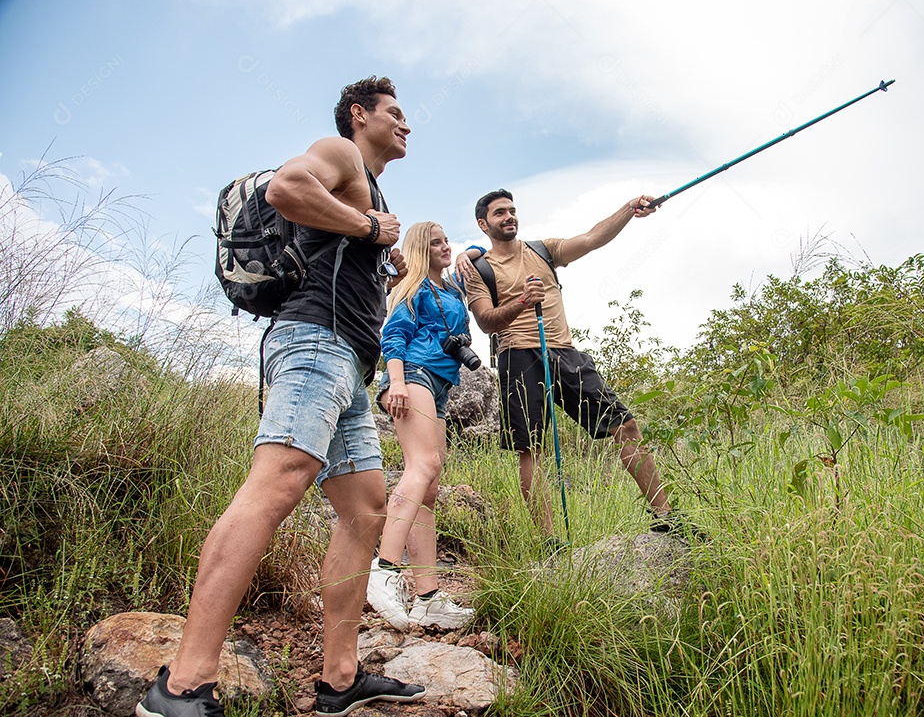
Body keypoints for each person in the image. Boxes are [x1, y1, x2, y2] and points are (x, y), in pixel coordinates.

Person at [137, 77, 427, 717]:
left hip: (349, 362)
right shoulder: (340, 153)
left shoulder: (371, 187)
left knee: (365, 511)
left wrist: (384, 258)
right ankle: (179, 687)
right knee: (278, 483)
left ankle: (339, 679)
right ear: (360, 117)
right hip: (311, 344)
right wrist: (368, 226)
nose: (407, 125)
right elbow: (286, 189)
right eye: (395, 114)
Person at [459, 189, 695, 544]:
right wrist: (523, 301)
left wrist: (629, 209)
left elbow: (591, 239)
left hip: (565, 352)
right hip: (519, 356)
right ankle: (550, 541)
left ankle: (665, 516)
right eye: (499, 214)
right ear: (484, 223)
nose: (509, 217)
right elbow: (486, 322)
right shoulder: (479, 268)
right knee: (531, 448)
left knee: (625, 424)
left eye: (512, 211)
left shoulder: (543, 249)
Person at [365, 221, 477, 632]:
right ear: (419, 249)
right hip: (413, 374)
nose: (445, 247)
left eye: (447, 240)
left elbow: (480, 249)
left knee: (428, 489)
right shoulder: (411, 287)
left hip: (441, 384)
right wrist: (395, 382)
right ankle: (384, 569)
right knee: (423, 465)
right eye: (436, 243)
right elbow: (392, 337)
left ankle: (427, 598)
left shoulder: (450, 289)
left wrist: (472, 251)